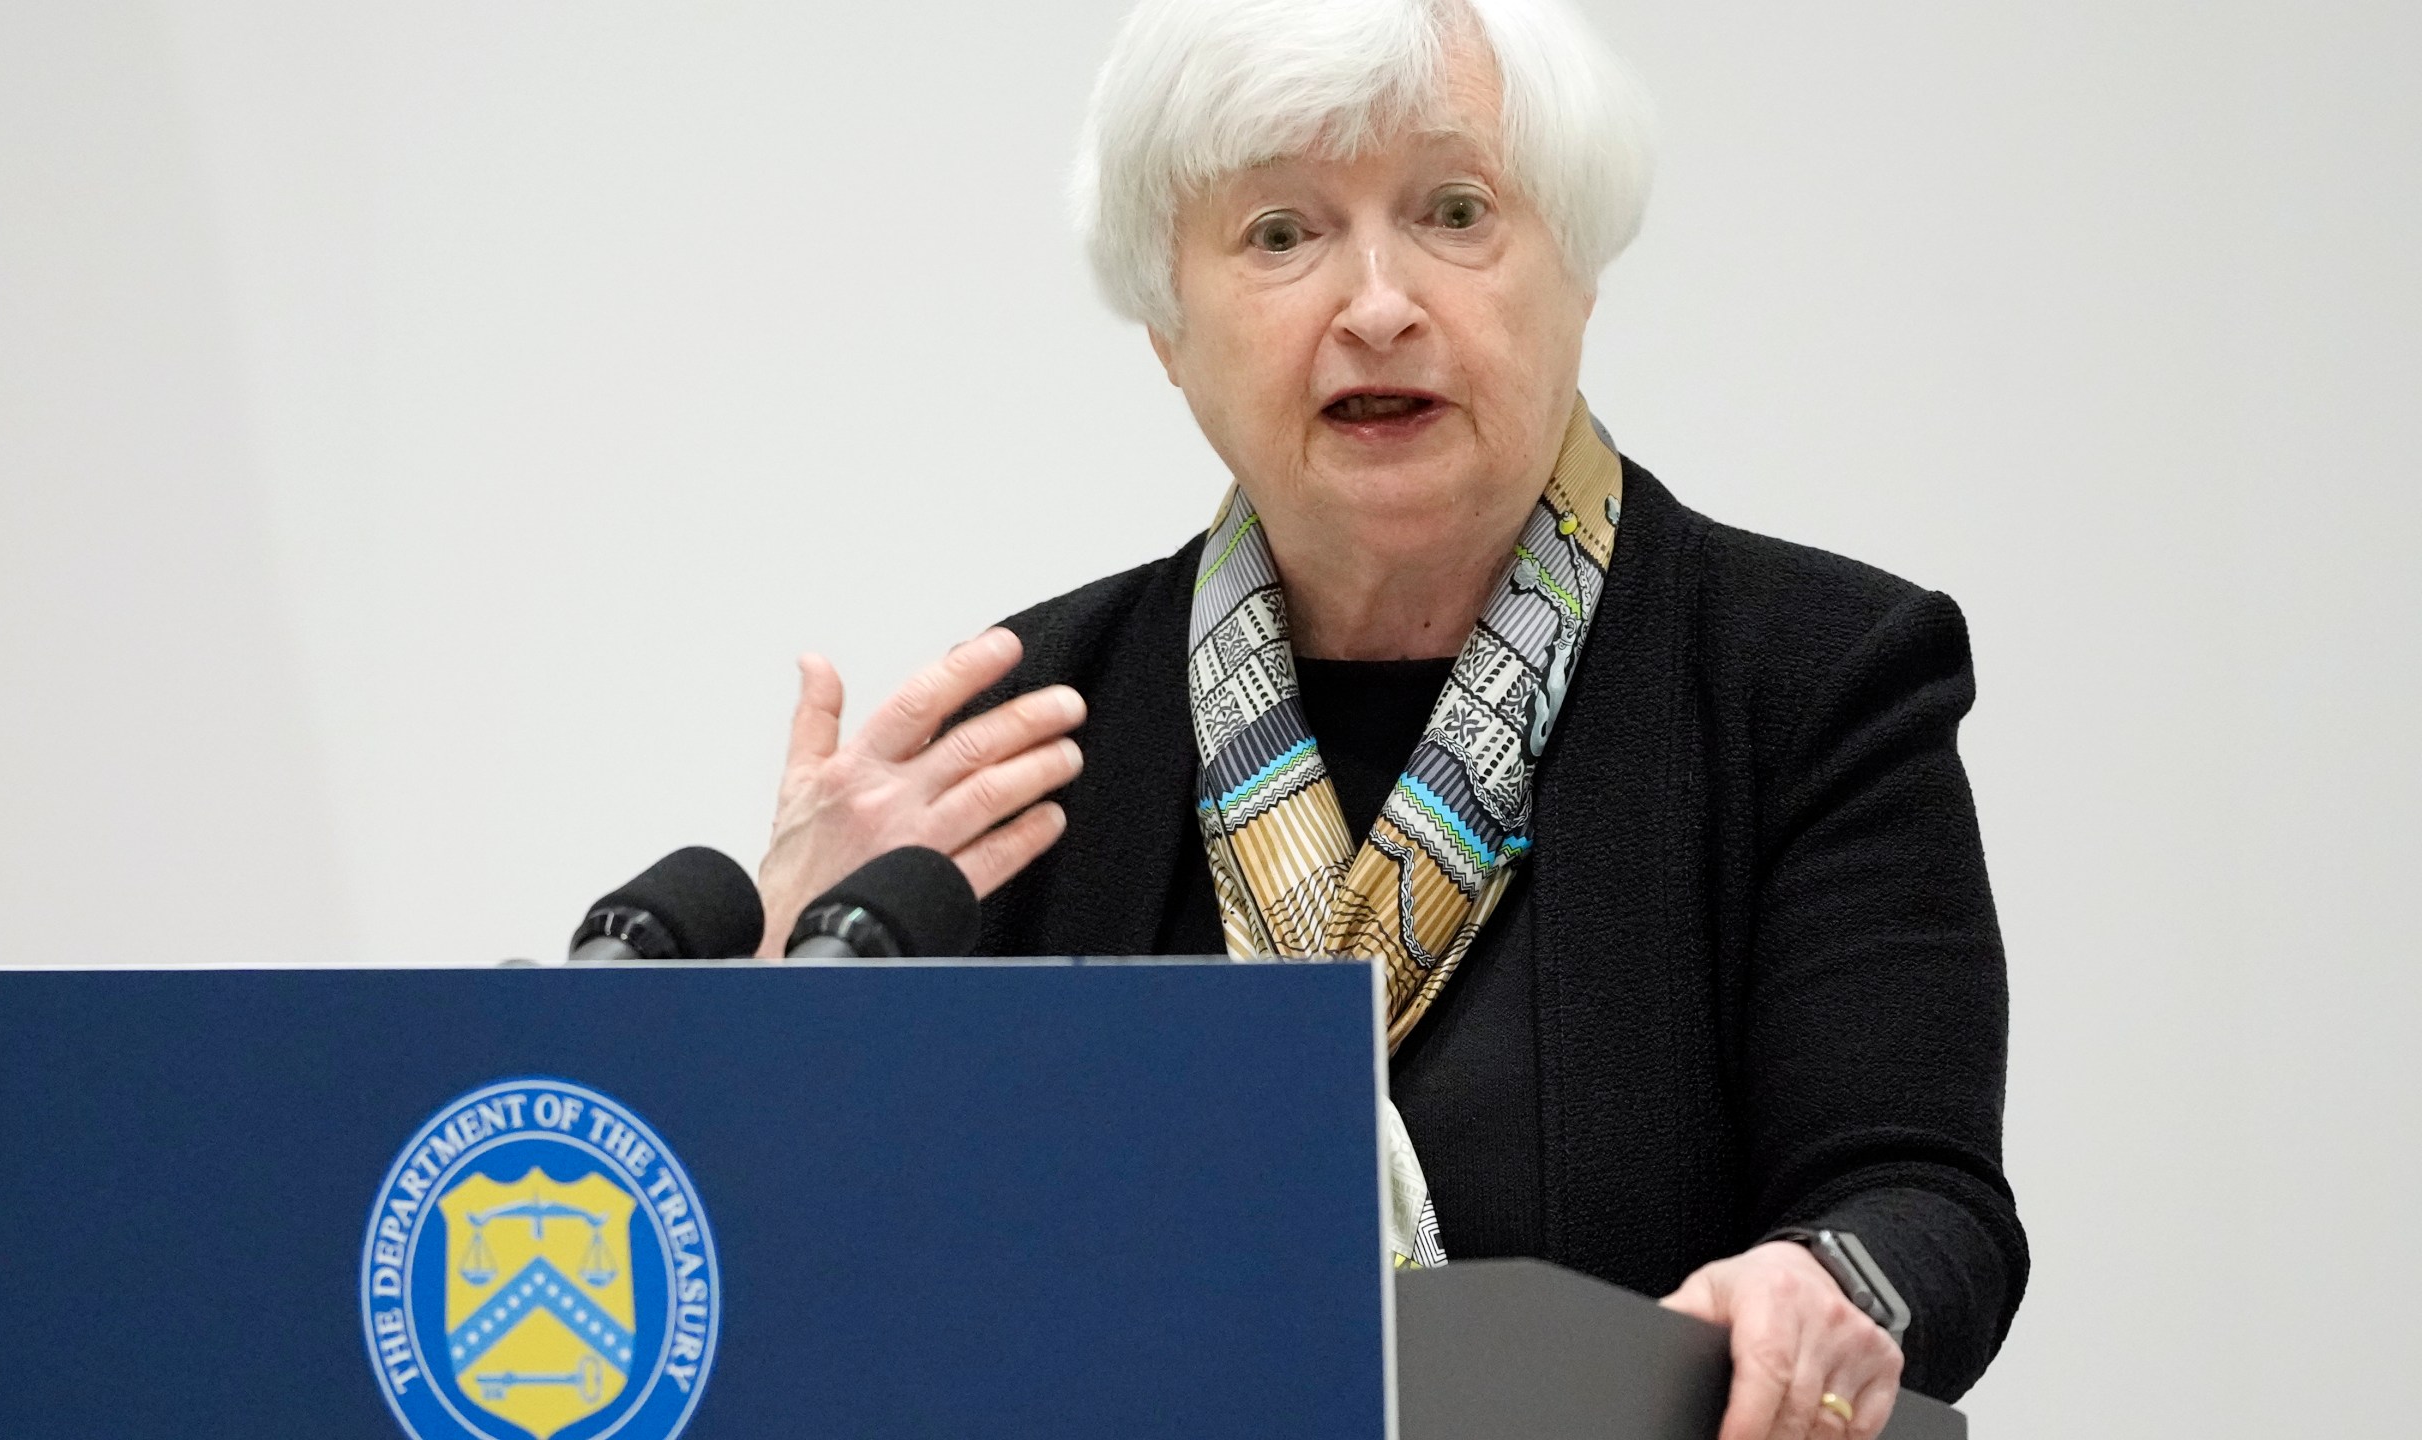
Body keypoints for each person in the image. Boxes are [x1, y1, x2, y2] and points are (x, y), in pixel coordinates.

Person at [750, 1, 2027, 1435]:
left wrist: (1822, 1284)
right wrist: (768, 1011)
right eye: (1281, 233)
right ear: (1169, 333)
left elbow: (1925, 1204)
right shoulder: (1028, 727)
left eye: (1455, 211)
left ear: (1580, 275)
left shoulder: (1813, 677)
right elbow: (858, 1273)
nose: (1375, 303)